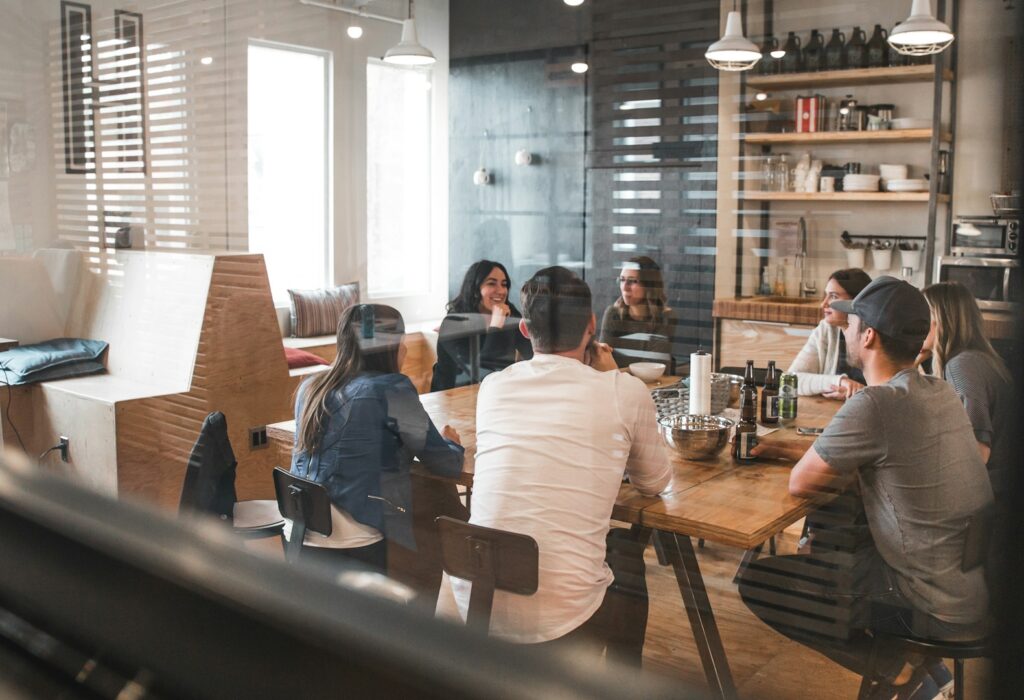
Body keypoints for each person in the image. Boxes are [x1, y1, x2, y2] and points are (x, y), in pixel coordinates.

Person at [739, 277, 994, 699]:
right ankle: (924, 673)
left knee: (760, 581)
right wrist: (781, 448)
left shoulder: (875, 403)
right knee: (841, 535)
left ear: (869, 335)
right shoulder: (938, 390)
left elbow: (802, 482)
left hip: (924, 603)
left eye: (854, 321)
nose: (848, 328)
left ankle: (898, 670)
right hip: (968, 589)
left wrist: (781, 454)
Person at [446, 266, 672, 665]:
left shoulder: (494, 387)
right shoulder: (624, 390)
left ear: (525, 330)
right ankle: (623, 684)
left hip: (475, 600)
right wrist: (612, 376)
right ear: (590, 325)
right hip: (561, 618)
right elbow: (654, 482)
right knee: (627, 556)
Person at [289, 304, 464, 576]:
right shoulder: (391, 389)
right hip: (355, 538)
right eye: (402, 341)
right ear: (391, 346)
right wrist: (452, 442)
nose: (405, 349)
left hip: (301, 532)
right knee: (436, 505)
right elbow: (446, 464)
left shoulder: (309, 388)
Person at [921, 281, 1014, 495]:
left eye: (923, 315)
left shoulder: (962, 366)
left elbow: (977, 453)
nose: (916, 323)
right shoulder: (977, 358)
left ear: (942, 320)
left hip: (992, 493)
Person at [430, 260, 533, 392]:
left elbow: (532, 353)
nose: (501, 291)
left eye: (504, 284)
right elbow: (482, 372)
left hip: (496, 393)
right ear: (474, 289)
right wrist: (496, 326)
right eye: (491, 283)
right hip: (452, 397)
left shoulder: (509, 313)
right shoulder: (454, 322)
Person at [787, 268, 872, 399]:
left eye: (833, 296)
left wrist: (858, 392)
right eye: (825, 295)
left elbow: (891, 392)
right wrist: (840, 382)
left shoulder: (877, 334)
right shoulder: (826, 330)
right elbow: (791, 380)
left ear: (856, 301)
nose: (823, 304)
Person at [599, 256, 676, 369]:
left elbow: (652, 367)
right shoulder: (613, 313)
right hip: (616, 382)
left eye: (632, 281)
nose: (625, 287)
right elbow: (601, 359)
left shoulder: (665, 317)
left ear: (649, 286)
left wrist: (615, 370)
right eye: (622, 280)